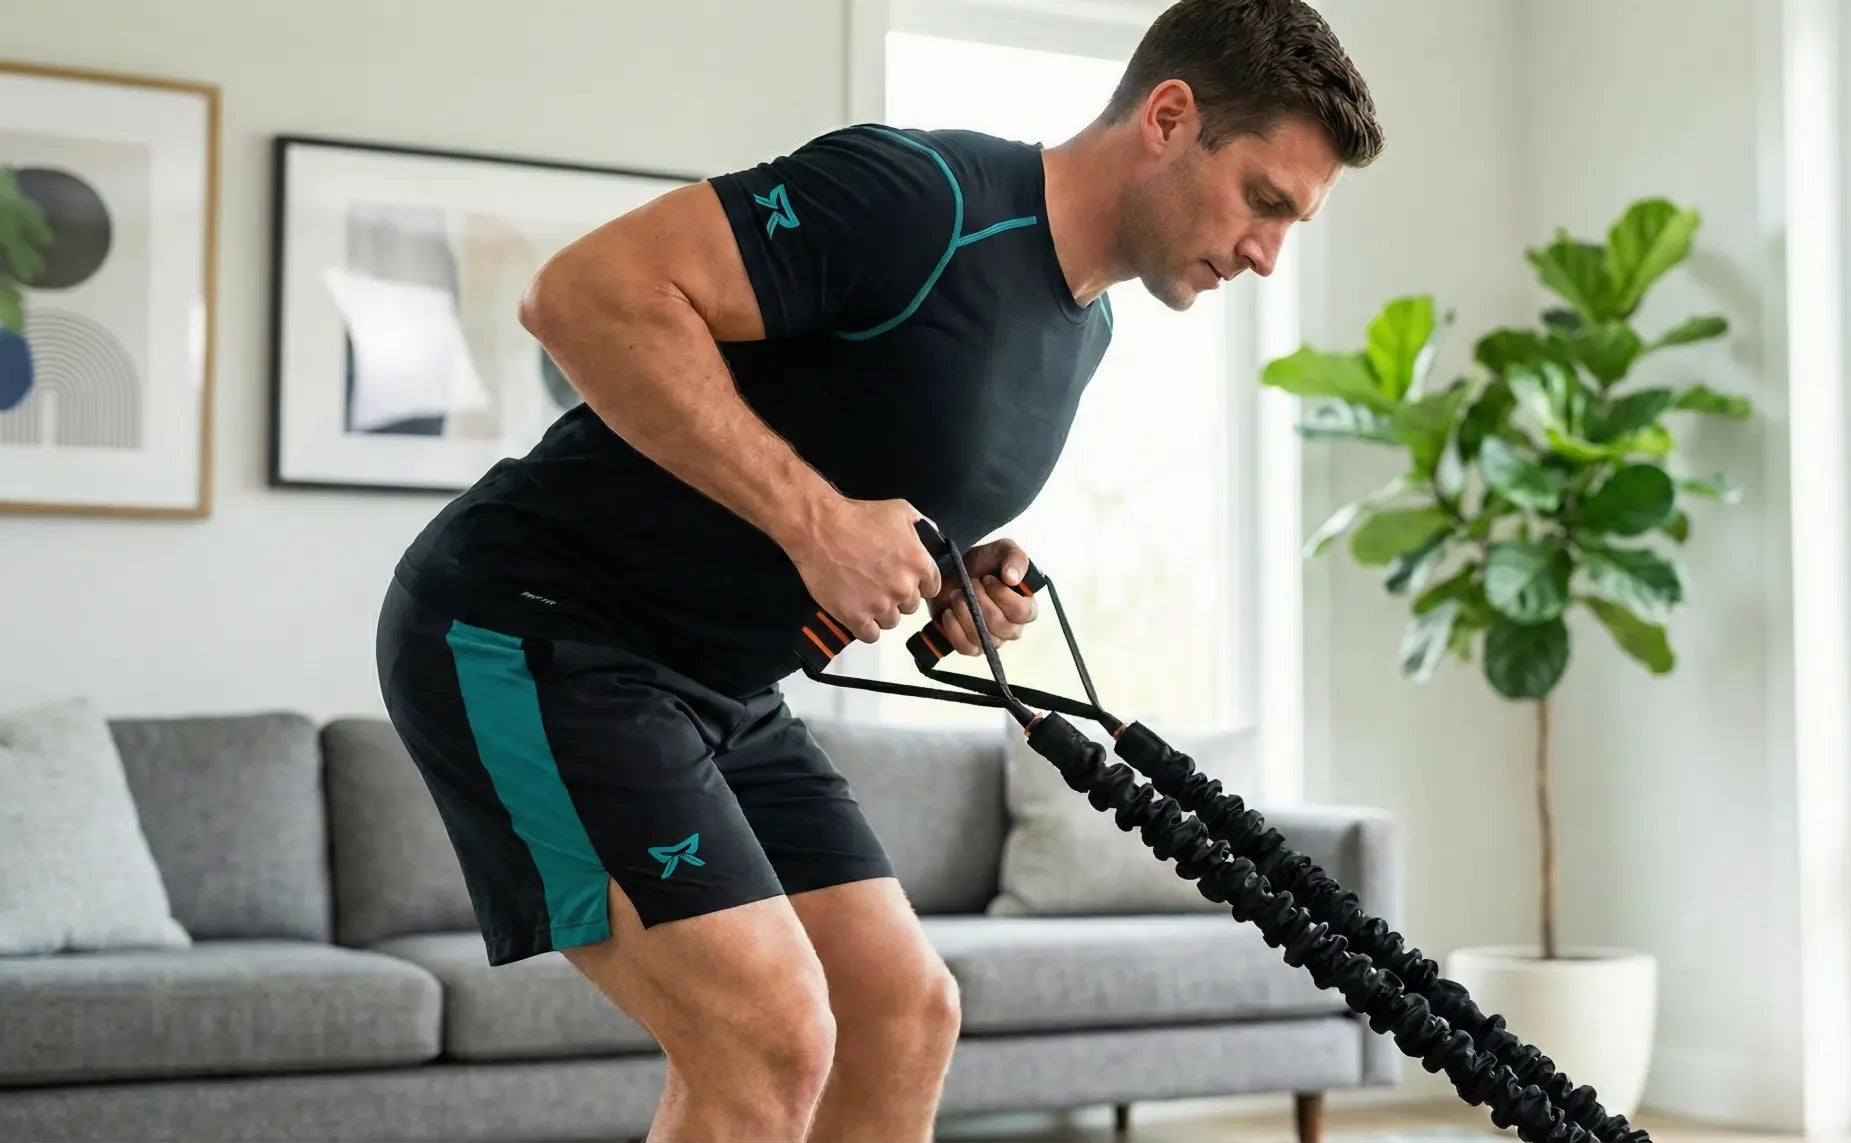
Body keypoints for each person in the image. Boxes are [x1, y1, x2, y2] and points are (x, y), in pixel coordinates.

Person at [374, 1, 1382, 1139]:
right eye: (1263, 201)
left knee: (902, 1014)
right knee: (768, 1035)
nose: (1265, 253)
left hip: (716, 687)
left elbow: (869, 483)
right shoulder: (922, 200)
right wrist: (817, 526)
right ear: (1167, 116)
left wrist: (956, 581)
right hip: (529, 628)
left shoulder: (1084, 333)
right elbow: (580, 295)